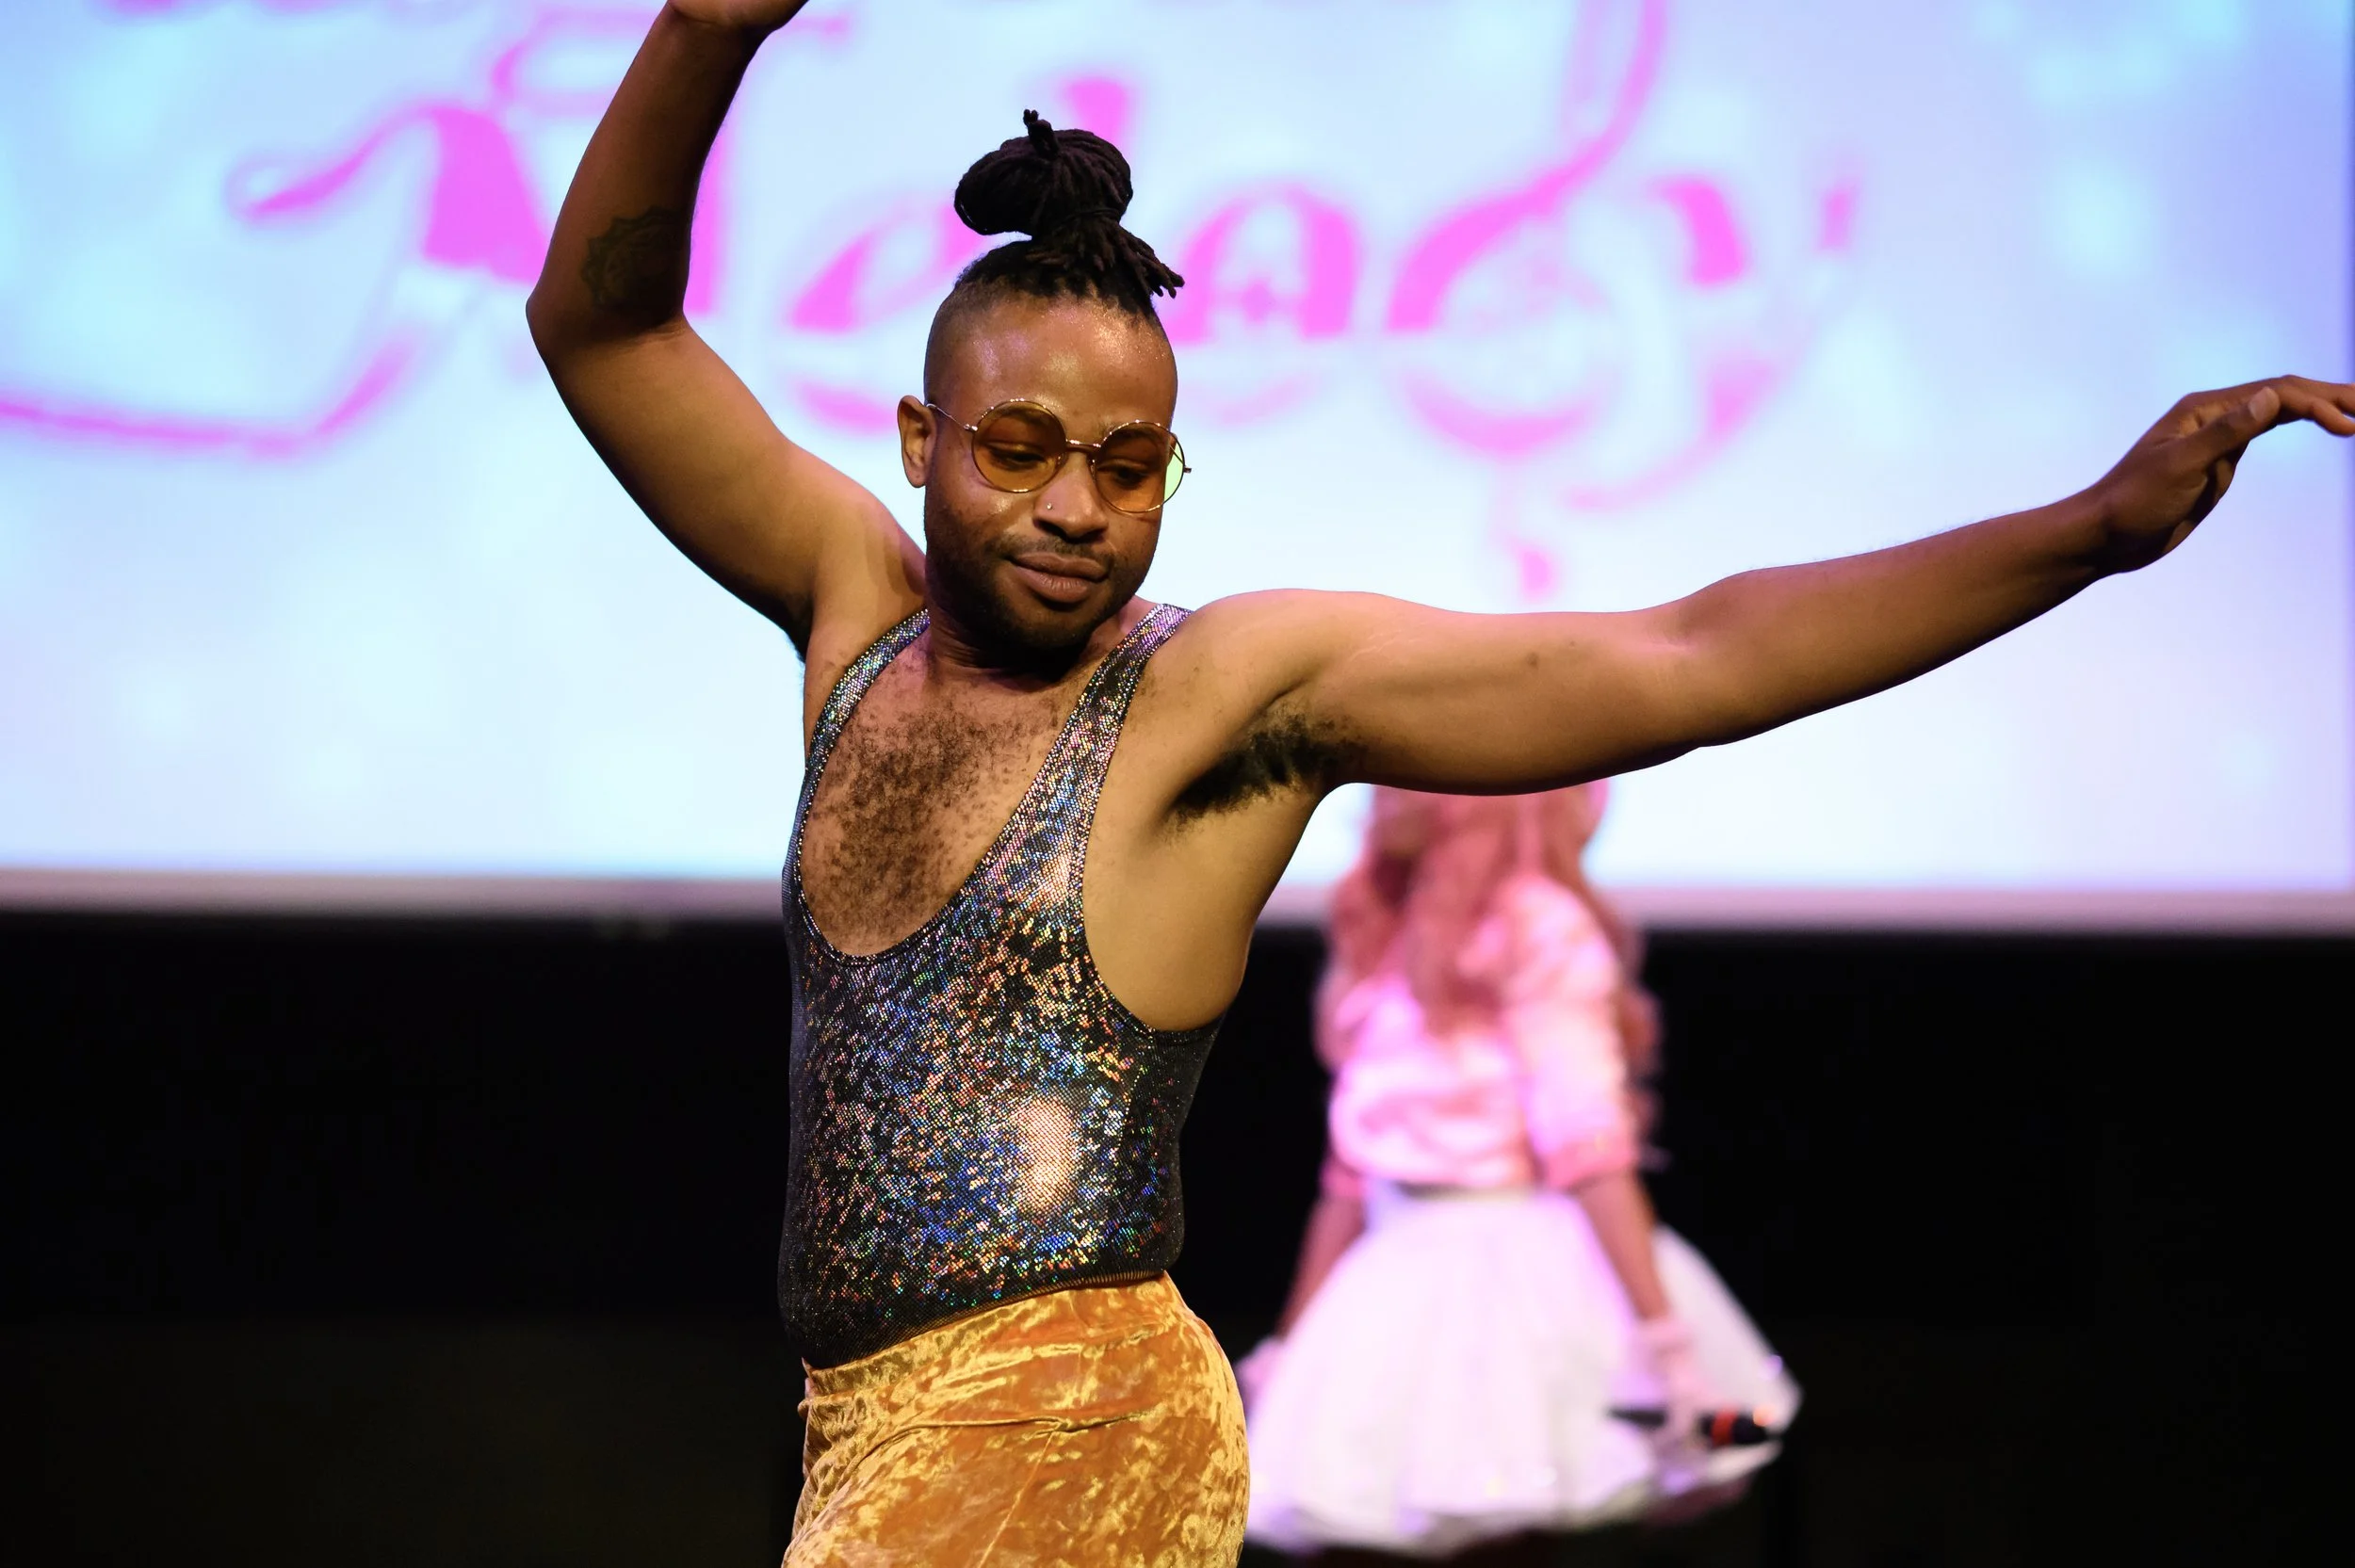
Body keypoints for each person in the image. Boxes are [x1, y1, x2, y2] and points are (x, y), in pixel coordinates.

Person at [524, 5, 2354, 1561]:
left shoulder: (1210, 693)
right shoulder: (851, 614)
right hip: (863, 1430)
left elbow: (1688, 659)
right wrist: (706, 30)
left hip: (1070, 1419)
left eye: (1128, 462)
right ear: (920, 439)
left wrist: (2091, 533)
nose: (1076, 505)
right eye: (1018, 450)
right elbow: (599, 332)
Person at [1240, 784, 1796, 1563]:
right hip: (1393, 1275)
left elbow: (1590, 1145)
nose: (1376, 798)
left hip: (1507, 1282)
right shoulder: (1390, 926)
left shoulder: (1533, 923)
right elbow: (1350, 1174)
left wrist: (1666, 1342)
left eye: (1401, 773)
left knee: (1506, 1521)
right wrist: (1291, 1344)